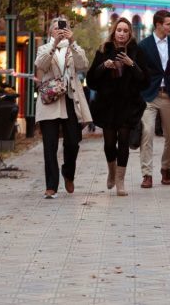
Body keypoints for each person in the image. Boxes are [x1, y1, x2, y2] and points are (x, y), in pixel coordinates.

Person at [85, 17, 148, 196]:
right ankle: (111, 171)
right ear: (114, 32)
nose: (122, 33)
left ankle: (120, 181)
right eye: (119, 30)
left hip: (128, 104)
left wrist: (132, 64)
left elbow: (145, 81)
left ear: (129, 33)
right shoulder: (104, 50)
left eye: (125, 31)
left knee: (124, 142)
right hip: (108, 105)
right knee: (109, 143)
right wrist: (103, 66)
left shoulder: (137, 51)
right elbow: (91, 81)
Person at [34, 16, 92, 199]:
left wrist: (72, 42)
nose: (61, 30)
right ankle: (51, 185)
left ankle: (68, 172)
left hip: (70, 99)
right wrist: (55, 44)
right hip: (50, 100)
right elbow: (41, 65)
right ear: (51, 30)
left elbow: (83, 64)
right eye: (58, 27)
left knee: (73, 142)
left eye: (65, 27)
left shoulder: (73, 48)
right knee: (49, 145)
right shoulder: (43, 48)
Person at [136, 10, 170, 188]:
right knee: (147, 132)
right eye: (168, 24)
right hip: (150, 95)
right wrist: (140, 93)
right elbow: (139, 72)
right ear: (158, 25)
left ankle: (166, 168)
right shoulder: (143, 45)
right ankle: (147, 174)